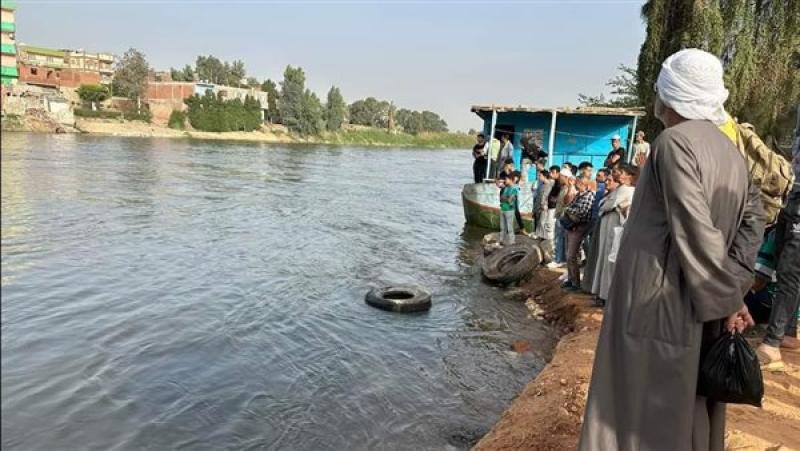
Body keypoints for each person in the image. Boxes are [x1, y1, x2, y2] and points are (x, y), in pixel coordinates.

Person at [578, 49, 764, 451]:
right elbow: (753, 222)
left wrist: (729, 298)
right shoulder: (732, 154)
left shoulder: (673, 143)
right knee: (689, 401)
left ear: (670, 93)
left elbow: (693, 226)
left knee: (640, 407)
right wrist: (734, 287)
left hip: (657, 302)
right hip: (707, 300)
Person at [756, 127, 800, 370]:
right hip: (792, 194)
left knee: (788, 271)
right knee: (783, 258)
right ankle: (788, 332)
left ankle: (772, 345)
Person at [590, 164, 637, 306]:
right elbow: (603, 205)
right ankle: (602, 293)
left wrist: (609, 206)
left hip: (615, 229)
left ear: (630, 176)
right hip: (610, 228)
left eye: (621, 172)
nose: (618, 175)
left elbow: (606, 206)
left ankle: (606, 295)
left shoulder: (626, 190)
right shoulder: (620, 189)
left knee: (610, 260)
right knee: (605, 259)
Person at [562, 176, 595, 290]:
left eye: (578, 183)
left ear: (584, 184)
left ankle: (575, 283)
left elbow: (581, 212)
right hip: (571, 227)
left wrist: (568, 210)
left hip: (578, 228)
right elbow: (569, 206)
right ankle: (571, 279)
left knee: (572, 255)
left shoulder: (589, 196)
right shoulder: (578, 195)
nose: (576, 184)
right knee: (569, 255)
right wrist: (569, 210)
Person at [547, 168, 576, 268]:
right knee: (561, 238)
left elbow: (567, 201)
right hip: (560, 215)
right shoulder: (563, 187)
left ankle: (558, 260)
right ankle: (561, 258)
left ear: (566, 177)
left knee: (559, 239)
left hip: (564, 216)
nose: (559, 179)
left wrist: (570, 187)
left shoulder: (570, 188)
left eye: (561, 177)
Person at [533, 169, 554, 240]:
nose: (539, 177)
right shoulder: (541, 185)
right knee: (540, 223)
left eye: (540, 175)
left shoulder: (551, 185)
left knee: (543, 223)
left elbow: (549, 197)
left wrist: (546, 205)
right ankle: (540, 237)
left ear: (545, 176)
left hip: (545, 208)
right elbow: (539, 196)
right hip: (539, 207)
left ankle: (545, 238)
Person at [498, 173, 518, 246]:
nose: (505, 181)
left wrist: (505, 198)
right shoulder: (505, 188)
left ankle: (512, 242)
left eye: (506, 179)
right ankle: (501, 241)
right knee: (502, 227)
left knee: (510, 228)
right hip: (503, 208)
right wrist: (506, 197)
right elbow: (501, 198)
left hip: (509, 210)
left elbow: (510, 200)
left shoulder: (514, 189)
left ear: (510, 180)